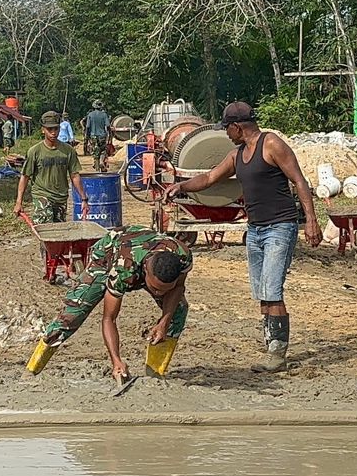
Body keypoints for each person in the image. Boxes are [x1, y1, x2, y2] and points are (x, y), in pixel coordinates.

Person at [164, 101, 321, 373]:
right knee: (262, 291)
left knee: (272, 290)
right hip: (256, 229)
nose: (226, 134)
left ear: (237, 127)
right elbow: (211, 177)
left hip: (279, 227)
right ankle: (271, 342)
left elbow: (299, 180)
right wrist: (181, 186)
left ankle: (277, 354)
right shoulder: (237, 155)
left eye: (227, 128)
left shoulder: (271, 144)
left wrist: (311, 221)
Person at [26, 225, 191, 385]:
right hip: (108, 254)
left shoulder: (182, 256)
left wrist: (164, 323)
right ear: (146, 272)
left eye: (163, 290)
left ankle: (155, 374)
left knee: (179, 310)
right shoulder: (123, 269)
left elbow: (177, 288)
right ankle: (32, 369)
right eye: (155, 288)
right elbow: (109, 319)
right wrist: (116, 360)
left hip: (143, 248)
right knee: (72, 314)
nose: (158, 294)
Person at [14, 111, 87, 225]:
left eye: (56, 129)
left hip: (61, 197)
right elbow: (25, 176)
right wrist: (19, 202)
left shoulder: (68, 151)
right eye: (50, 129)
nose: (53, 133)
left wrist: (83, 198)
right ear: (43, 129)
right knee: (45, 226)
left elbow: (74, 175)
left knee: (58, 232)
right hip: (42, 194)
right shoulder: (35, 151)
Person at [83, 100, 112, 172]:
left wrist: (86, 137)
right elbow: (108, 126)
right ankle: (102, 161)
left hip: (93, 137)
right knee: (103, 151)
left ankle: (96, 169)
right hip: (102, 136)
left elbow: (87, 127)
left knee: (95, 153)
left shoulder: (90, 115)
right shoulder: (104, 115)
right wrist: (110, 134)